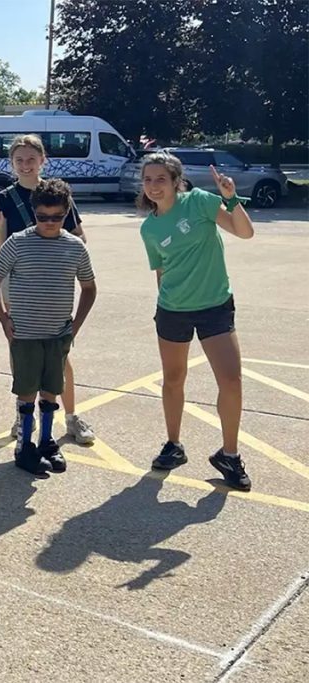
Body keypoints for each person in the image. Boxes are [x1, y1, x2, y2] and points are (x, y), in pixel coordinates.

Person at [138, 152, 254, 491]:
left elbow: (244, 232)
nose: (154, 186)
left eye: (161, 179)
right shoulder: (149, 228)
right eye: (148, 180)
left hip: (214, 306)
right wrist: (165, 307)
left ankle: (229, 455)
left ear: (177, 181)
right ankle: (174, 445)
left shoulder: (199, 202)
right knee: (173, 379)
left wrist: (231, 199)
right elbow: (161, 271)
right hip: (173, 310)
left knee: (231, 380)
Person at [0, 134, 95, 446]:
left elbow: (79, 236)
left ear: (42, 160)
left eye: (31, 159)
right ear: (12, 163)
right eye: (19, 160)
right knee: (21, 349)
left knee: (60, 353)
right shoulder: (4, 198)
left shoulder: (57, 193)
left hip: (54, 279)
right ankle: (23, 416)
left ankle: (71, 416)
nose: (25, 165)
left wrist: (58, 251)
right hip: (18, 280)